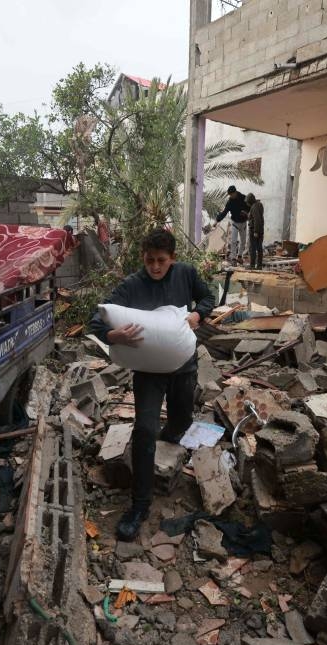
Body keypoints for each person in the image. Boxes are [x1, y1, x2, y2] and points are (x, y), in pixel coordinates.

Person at [89, 229, 214, 541]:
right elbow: (97, 319)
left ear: (172, 259)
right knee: (144, 429)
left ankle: (170, 436)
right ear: (142, 258)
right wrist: (113, 336)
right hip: (149, 372)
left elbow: (208, 297)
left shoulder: (185, 275)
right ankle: (139, 504)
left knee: (181, 422)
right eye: (149, 261)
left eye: (161, 261)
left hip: (184, 367)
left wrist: (198, 314)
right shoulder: (132, 285)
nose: (155, 267)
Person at [215, 185, 249, 265]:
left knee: (243, 241)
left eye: (231, 194)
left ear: (235, 192)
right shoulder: (230, 202)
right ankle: (233, 258)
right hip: (234, 223)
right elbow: (224, 212)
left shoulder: (244, 198)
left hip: (243, 223)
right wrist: (217, 220)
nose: (230, 196)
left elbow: (249, 207)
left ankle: (240, 256)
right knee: (233, 241)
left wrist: (246, 212)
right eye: (229, 195)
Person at [245, 193, 265, 270]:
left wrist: (255, 231)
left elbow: (256, 219)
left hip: (254, 230)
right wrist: (248, 214)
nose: (247, 203)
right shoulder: (259, 204)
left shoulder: (254, 207)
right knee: (259, 248)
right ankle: (259, 265)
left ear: (250, 200)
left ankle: (252, 265)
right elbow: (255, 218)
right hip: (260, 229)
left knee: (252, 248)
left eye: (247, 202)